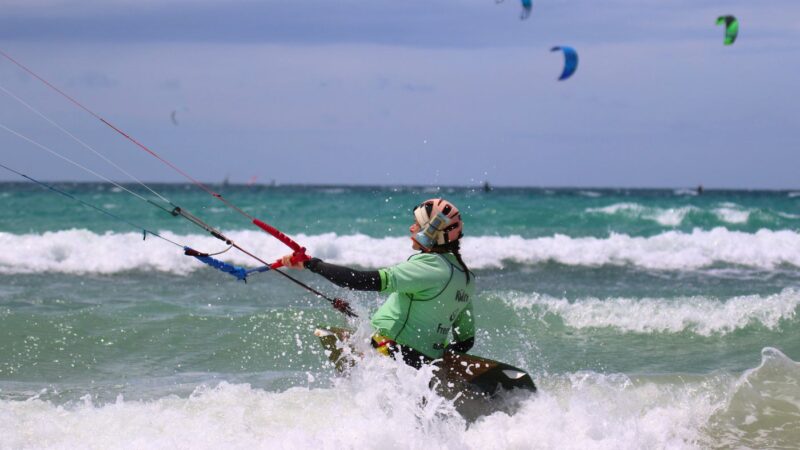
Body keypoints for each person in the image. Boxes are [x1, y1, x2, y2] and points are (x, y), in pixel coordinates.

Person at [281, 198, 475, 368]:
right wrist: (439, 365)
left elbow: (358, 280)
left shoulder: (430, 266)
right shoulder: (465, 277)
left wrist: (311, 263)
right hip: (422, 364)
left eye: (417, 224)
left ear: (431, 231)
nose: (412, 228)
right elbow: (465, 340)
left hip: (390, 355)